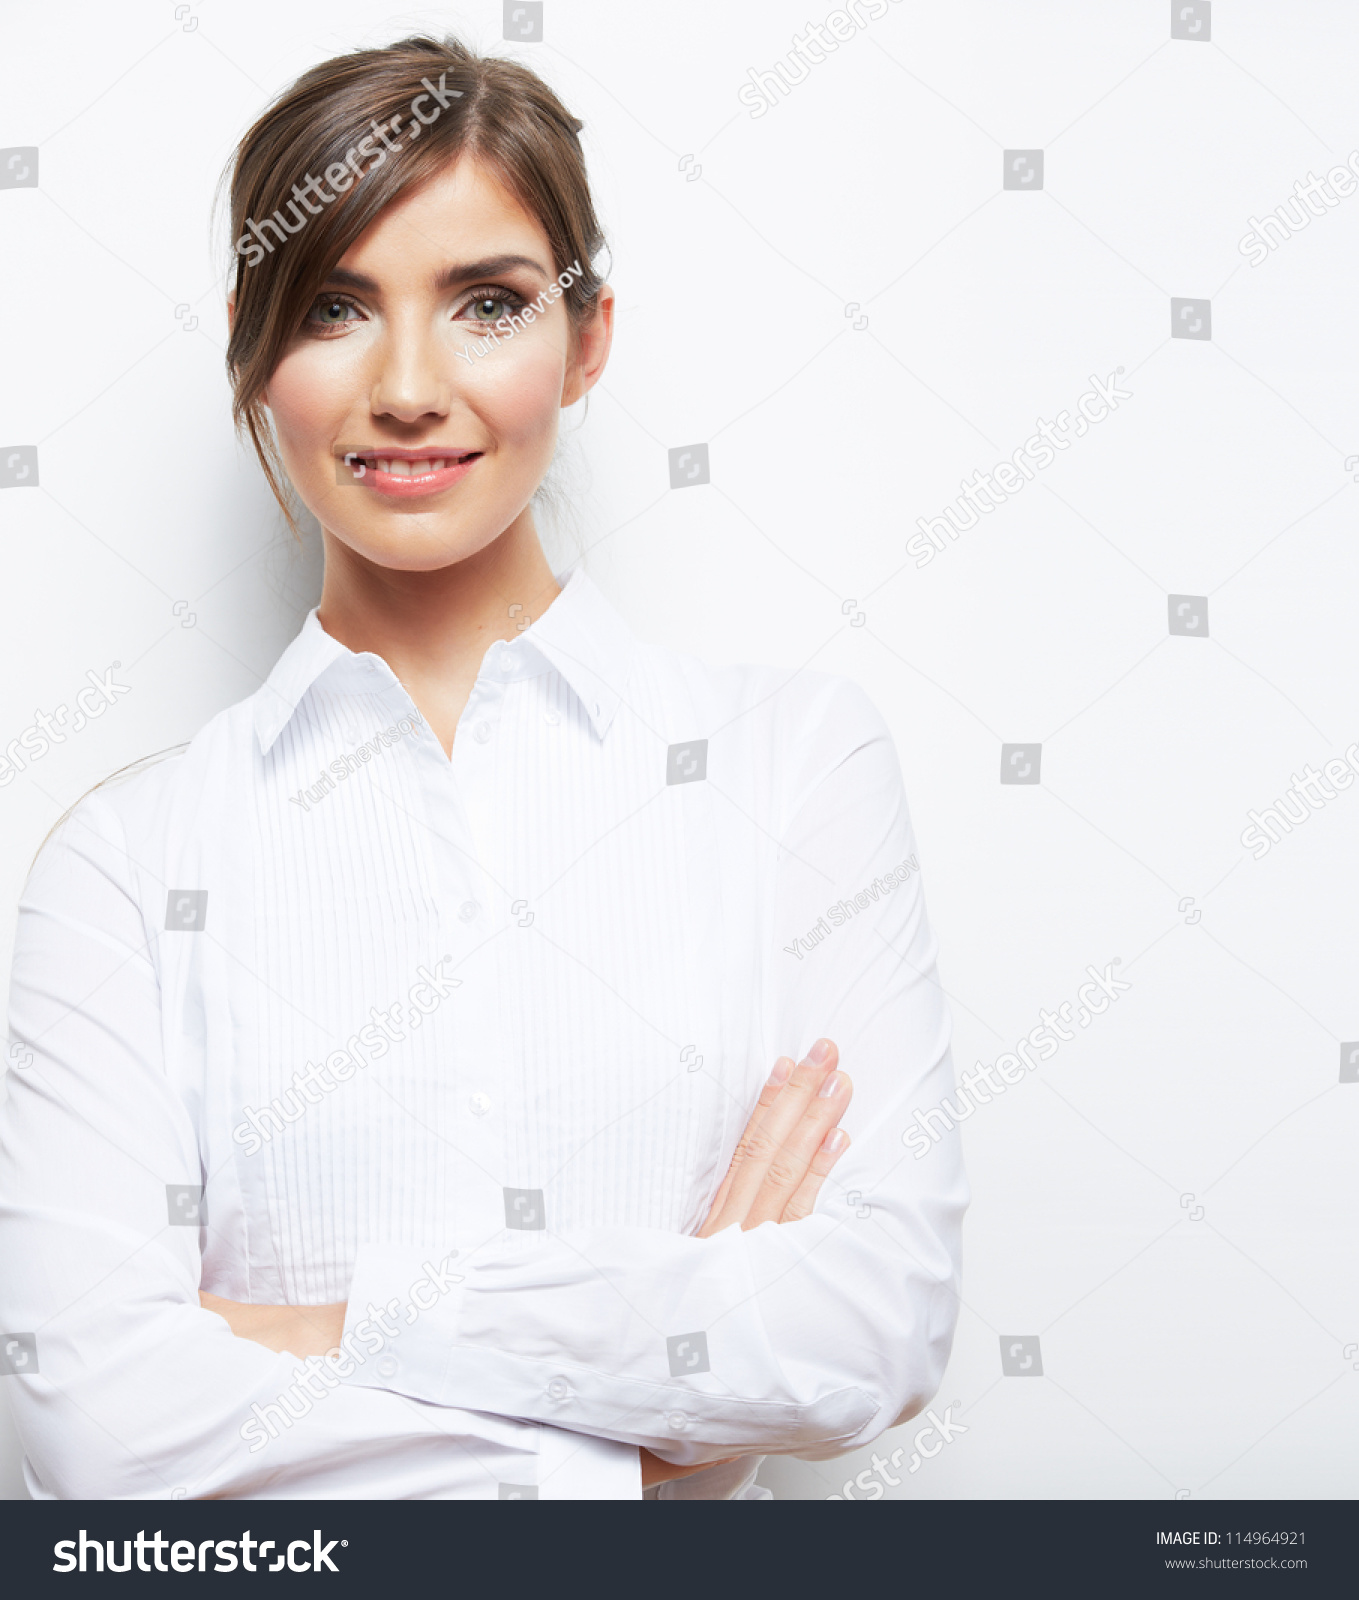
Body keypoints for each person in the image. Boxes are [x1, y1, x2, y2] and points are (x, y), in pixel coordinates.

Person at [0, 34, 966, 1500]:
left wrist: (354, 1329)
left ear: (589, 341)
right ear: (259, 357)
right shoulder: (125, 870)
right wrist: (640, 1443)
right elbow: (97, 1426)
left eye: (488, 306)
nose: (407, 386)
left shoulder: (793, 768)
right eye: (333, 306)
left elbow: (873, 1326)